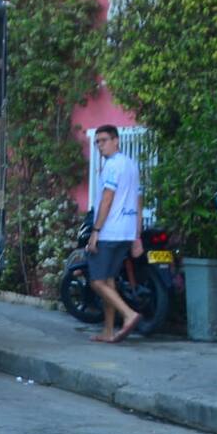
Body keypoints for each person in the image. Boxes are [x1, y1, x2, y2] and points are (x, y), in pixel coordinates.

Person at [87, 124, 144, 343]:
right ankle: (108, 331)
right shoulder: (131, 165)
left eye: (104, 140)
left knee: (96, 282)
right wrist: (136, 235)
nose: (100, 145)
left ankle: (128, 314)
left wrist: (96, 231)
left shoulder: (112, 166)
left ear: (116, 141)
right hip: (126, 233)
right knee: (109, 280)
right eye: (97, 141)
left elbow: (107, 200)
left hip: (109, 232)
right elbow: (139, 201)